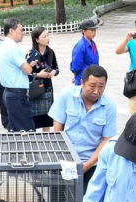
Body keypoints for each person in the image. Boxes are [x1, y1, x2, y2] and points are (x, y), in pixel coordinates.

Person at [49, 64, 117, 195]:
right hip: (64, 158)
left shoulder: (109, 106)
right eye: (92, 86)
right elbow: (57, 130)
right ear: (82, 82)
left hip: (91, 162)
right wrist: (63, 158)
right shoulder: (66, 95)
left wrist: (88, 164)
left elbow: (106, 140)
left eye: (101, 86)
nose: (97, 91)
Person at [0, 17, 36, 132]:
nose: (23, 33)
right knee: (27, 131)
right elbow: (27, 70)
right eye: (21, 29)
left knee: (15, 131)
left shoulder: (2, 46)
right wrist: (30, 65)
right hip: (17, 95)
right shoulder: (13, 47)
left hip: (9, 93)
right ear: (11, 31)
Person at [26, 27, 59, 132]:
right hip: (35, 90)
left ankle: (47, 140)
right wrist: (38, 75)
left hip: (48, 89)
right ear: (36, 40)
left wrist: (54, 72)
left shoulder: (51, 52)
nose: (47, 38)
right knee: (34, 120)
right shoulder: (31, 54)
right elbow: (26, 75)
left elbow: (56, 68)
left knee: (47, 119)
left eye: (48, 35)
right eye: (44, 36)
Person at [70, 19, 100, 86]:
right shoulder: (80, 46)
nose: (94, 32)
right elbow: (75, 66)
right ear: (84, 31)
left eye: (95, 30)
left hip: (93, 79)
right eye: (91, 30)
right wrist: (76, 75)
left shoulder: (93, 44)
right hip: (83, 80)